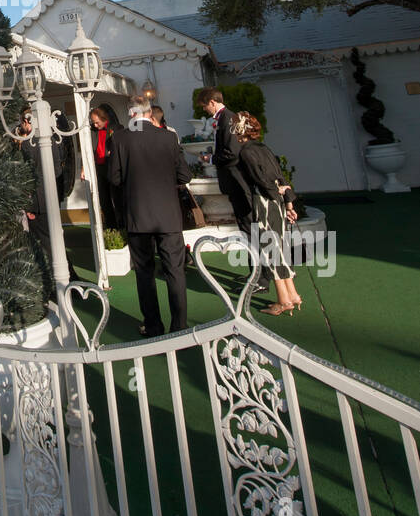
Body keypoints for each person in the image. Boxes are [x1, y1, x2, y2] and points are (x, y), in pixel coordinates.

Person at [110, 100, 193, 336]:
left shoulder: (120, 139)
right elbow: (184, 175)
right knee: (175, 271)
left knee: (144, 272)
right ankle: (180, 326)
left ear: (132, 115)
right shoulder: (167, 137)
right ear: (148, 114)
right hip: (168, 215)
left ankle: (154, 325)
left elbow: (114, 178)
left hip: (138, 216)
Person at [234, 112, 302, 316]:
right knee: (278, 248)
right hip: (278, 204)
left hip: (264, 203)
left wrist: (274, 193)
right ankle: (292, 295)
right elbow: (280, 176)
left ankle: (284, 300)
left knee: (270, 251)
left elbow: (261, 180)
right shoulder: (264, 147)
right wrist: (288, 201)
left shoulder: (246, 152)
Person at [16, 106, 81, 283]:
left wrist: (29, 206)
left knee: (46, 244)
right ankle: (69, 276)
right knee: (56, 239)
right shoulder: (55, 139)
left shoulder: (29, 145)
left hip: (38, 203)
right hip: (53, 198)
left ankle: (59, 280)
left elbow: (28, 177)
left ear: (28, 121)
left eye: (23, 122)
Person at [198, 88, 252, 239]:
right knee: (244, 222)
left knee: (247, 222)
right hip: (233, 179)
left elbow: (232, 152)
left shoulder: (227, 118)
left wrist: (211, 159)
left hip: (236, 178)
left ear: (212, 102)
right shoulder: (225, 118)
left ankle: (258, 257)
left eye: (204, 106)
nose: (204, 109)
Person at [87, 104, 121, 229]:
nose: (95, 125)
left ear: (103, 119)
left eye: (97, 122)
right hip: (99, 168)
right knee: (104, 200)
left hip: (111, 167)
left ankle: (121, 226)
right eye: (93, 122)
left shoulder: (115, 128)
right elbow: (87, 148)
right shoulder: (92, 130)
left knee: (117, 198)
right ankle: (111, 227)